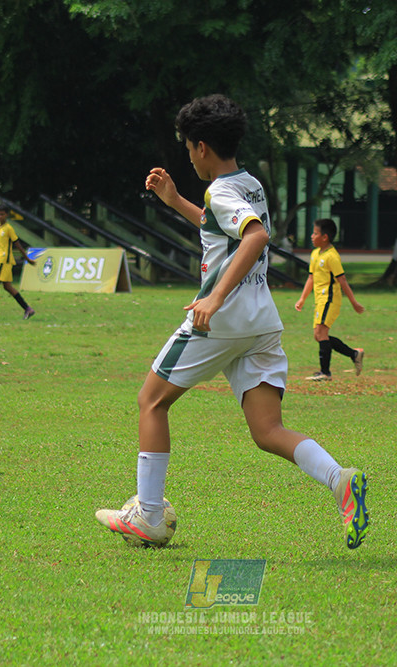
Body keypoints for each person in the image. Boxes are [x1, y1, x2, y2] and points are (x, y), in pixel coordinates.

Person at [93, 95, 369, 550]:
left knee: (151, 401)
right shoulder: (248, 184)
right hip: (260, 323)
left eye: (188, 148)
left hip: (220, 322)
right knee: (268, 431)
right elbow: (221, 225)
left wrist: (216, 296)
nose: (188, 156)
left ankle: (149, 516)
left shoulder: (220, 190)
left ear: (201, 147)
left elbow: (255, 236)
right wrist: (174, 200)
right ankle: (340, 480)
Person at [294, 218, 365, 381]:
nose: (312, 236)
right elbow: (311, 278)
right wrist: (302, 298)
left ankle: (325, 373)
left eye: (315, 233)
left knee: (321, 333)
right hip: (320, 299)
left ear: (325, 237)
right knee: (318, 335)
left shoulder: (332, 256)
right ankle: (354, 354)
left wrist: (353, 302)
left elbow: (342, 280)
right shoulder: (315, 254)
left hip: (330, 299)